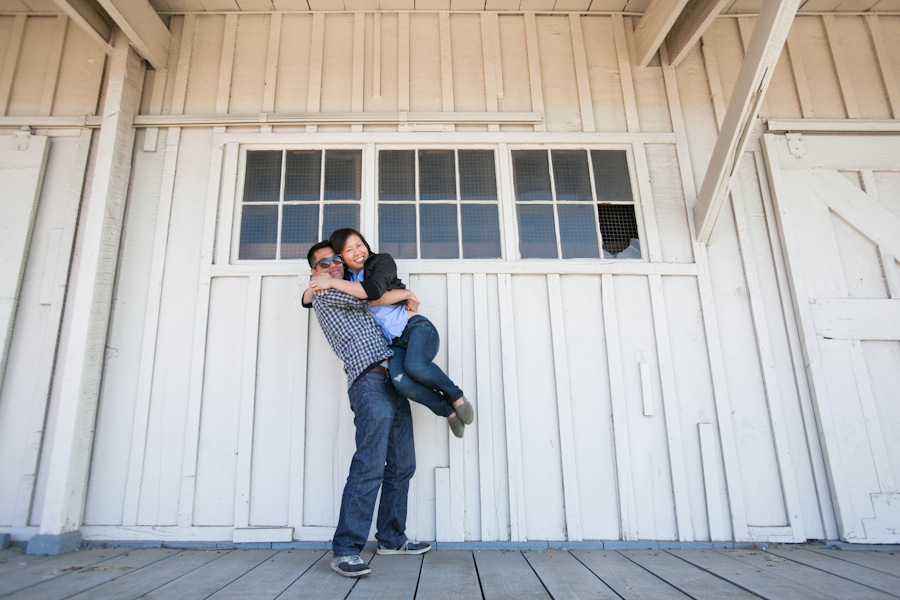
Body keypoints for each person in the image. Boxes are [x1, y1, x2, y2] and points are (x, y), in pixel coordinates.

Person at [306, 241, 430, 578]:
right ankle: (346, 549)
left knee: (403, 463)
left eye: (336, 260)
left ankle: (391, 539)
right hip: (369, 381)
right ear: (314, 272)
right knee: (369, 464)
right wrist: (406, 294)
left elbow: (370, 294)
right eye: (324, 263)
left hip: (393, 378)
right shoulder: (323, 291)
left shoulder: (341, 284)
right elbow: (373, 295)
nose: (333, 265)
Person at [306, 228, 474, 438]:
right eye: (348, 250)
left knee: (415, 366)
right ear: (343, 258)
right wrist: (315, 285)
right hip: (393, 344)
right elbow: (306, 299)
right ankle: (447, 411)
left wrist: (329, 282)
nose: (357, 252)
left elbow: (373, 292)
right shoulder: (344, 280)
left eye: (359, 245)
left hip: (414, 328)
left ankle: (457, 397)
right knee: (401, 382)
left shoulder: (381, 262)